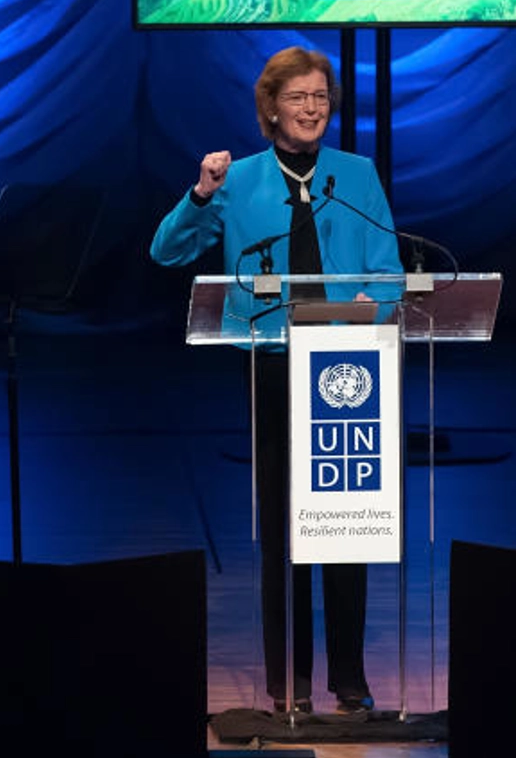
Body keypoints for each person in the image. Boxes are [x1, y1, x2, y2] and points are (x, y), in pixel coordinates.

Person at [150, 45, 402, 715]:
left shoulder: (357, 174)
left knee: (347, 527)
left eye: (320, 96)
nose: (312, 108)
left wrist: (355, 322)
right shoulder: (237, 181)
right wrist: (201, 194)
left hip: (348, 369)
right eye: (297, 98)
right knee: (287, 529)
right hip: (271, 362)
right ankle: (287, 681)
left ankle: (350, 680)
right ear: (270, 109)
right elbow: (168, 250)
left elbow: (387, 273)